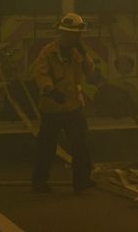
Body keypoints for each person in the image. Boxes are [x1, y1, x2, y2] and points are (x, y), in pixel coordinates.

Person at [31, 12, 96, 193]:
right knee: (46, 147)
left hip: (73, 106)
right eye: (68, 33)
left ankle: (82, 181)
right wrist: (50, 90)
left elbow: (91, 75)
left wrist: (84, 53)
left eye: (75, 34)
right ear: (61, 33)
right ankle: (39, 182)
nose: (72, 37)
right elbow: (40, 74)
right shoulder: (48, 52)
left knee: (80, 145)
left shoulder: (78, 53)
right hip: (51, 107)